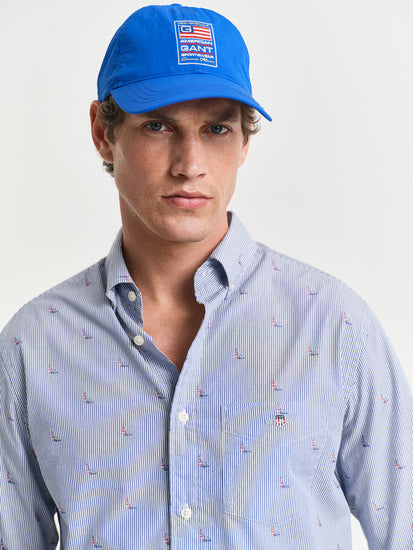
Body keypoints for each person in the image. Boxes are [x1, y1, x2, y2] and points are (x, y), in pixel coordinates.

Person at [0, 4, 411, 549]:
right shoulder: (33, 346)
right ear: (103, 132)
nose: (190, 163)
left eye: (217, 128)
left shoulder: (335, 327)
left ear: (244, 142)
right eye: (158, 125)